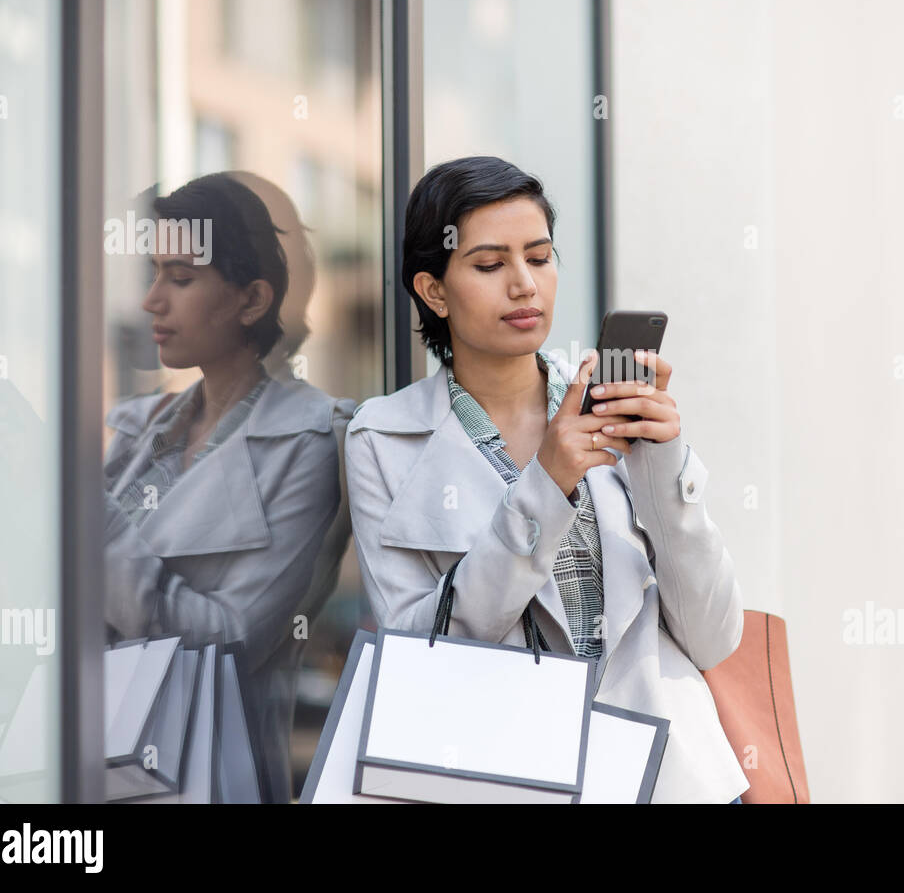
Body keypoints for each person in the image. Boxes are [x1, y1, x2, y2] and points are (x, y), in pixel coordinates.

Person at [344, 156, 750, 803]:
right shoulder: (384, 439)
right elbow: (418, 649)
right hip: (508, 776)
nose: (525, 284)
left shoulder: (607, 402)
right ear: (434, 290)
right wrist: (547, 482)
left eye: (539, 256)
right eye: (489, 264)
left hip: (669, 778)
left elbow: (712, 635)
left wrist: (662, 465)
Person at [102, 173, 354, 803]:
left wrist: (93, 527)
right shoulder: (143, 430)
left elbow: (229, 640)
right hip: (102, 760)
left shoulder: (309, 439)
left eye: (181, 278)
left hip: (203, 774)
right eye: (155, 273)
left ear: (252, 300)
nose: (152, 301)